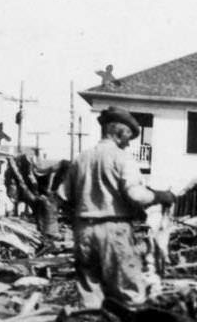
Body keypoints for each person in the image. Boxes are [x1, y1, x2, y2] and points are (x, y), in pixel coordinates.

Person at [58, 107, 175, 308]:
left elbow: (63, 196)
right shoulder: (122, 158)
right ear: (119, 132)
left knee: (90, 294)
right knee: (129, 292)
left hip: (83, 230)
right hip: (115, 230)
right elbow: (135, 194)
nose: (129, 143)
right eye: (128, 136)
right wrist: (160, 196)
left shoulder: (81, 159)